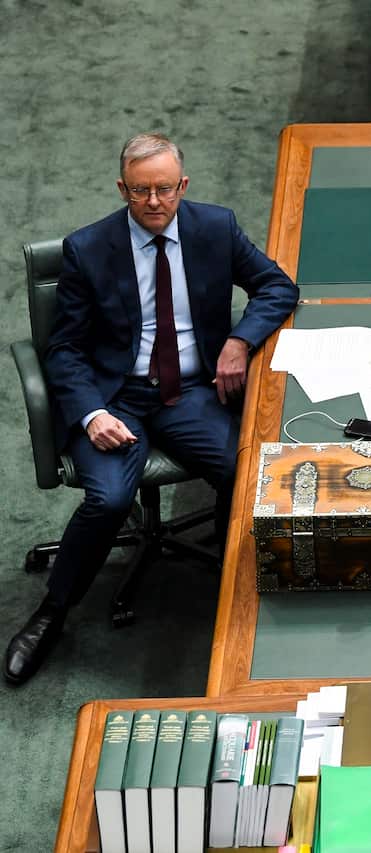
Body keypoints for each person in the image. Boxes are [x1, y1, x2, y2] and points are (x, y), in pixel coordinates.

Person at [4, 133, 299, 685]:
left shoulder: (215, 227)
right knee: (110, 496)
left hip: (190, 390)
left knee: (244, 472)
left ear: (182, 186)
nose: (155, 202)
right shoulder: (88, 249)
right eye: (141, 191)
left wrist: (238, 341)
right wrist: (92, 414)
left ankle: (236, 593)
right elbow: (63, 348)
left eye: (165, 189)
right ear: (123, 190)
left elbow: (276, 286)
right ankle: (53, 611)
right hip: (116, 395)